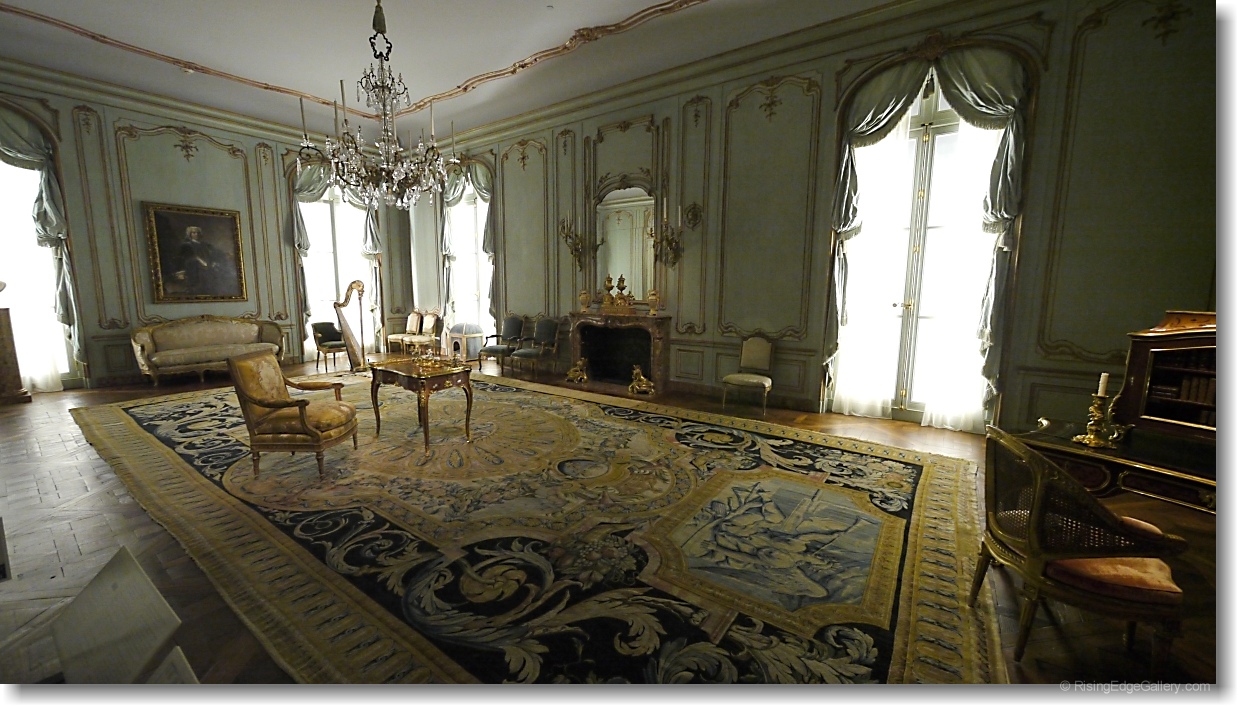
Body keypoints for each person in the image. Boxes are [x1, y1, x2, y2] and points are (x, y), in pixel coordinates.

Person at [172, 226, 232, 296]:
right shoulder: (187, 245)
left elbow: (214, 253)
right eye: (194, 233)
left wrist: (216, 260)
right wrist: (201, 262)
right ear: (190, 234)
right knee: (197, 285)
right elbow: (189, 257)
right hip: (194, 267)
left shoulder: (205, 245)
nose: (196, 234)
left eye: (198, 233)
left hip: (207, 267)